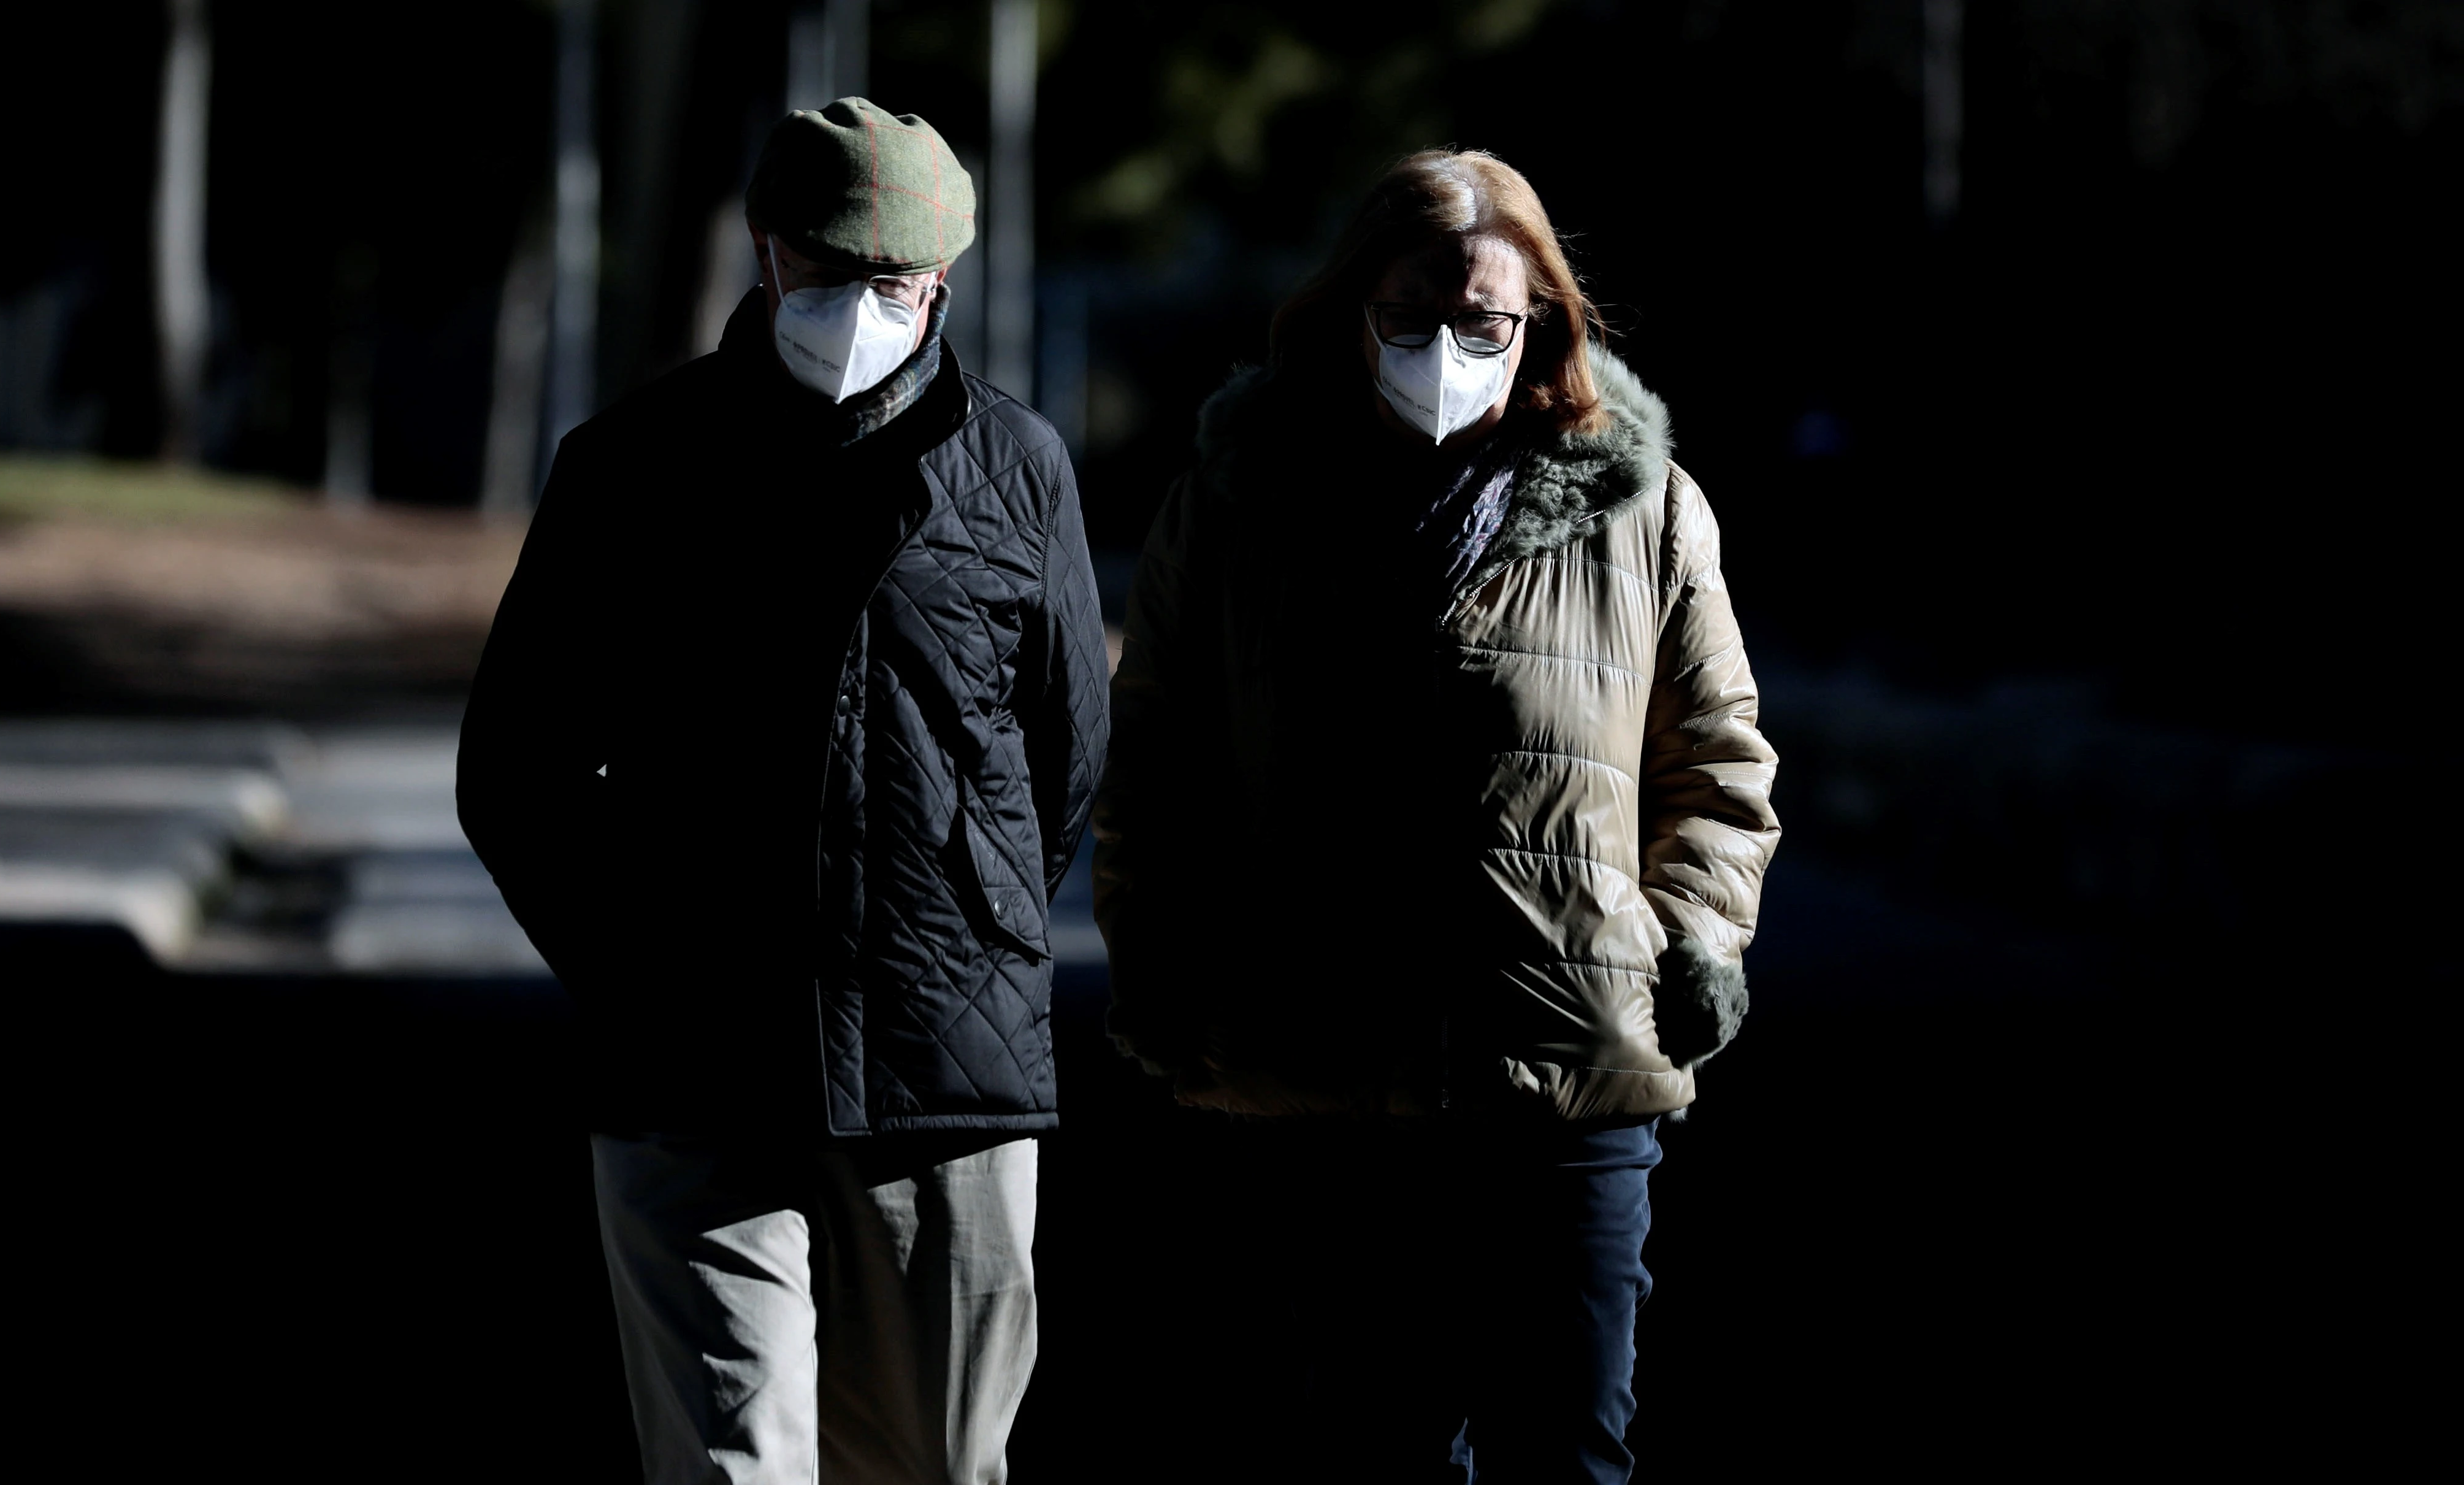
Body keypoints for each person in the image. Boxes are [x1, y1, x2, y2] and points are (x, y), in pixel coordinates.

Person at [1091, 149, 1779, 1482]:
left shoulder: (1644, 515)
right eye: (1411, 316)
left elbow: (1718, 763)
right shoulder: (1239, 509)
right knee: (1374, 1448)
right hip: (1327, 1070)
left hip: (1573, 1067)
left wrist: (1688, 942)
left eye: (1483, 324)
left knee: (1569, 1447)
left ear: (1541, 327)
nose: (1447, 349)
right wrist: (1164, 961)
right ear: (1351, 308)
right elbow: (1153, 765)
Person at [457, 97, 1109, 1485]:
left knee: (935, 1462)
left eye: (892, 281)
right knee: (729, 1465)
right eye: (827, 269)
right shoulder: (629, 466)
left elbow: (1064, 754)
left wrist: (968, 919)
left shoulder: (1020, 470)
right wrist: (632, 968)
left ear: (941, 282)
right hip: (690, 1069)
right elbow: (517, 768)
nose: (857, 305)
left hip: (944, 1072)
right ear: (765, 256)